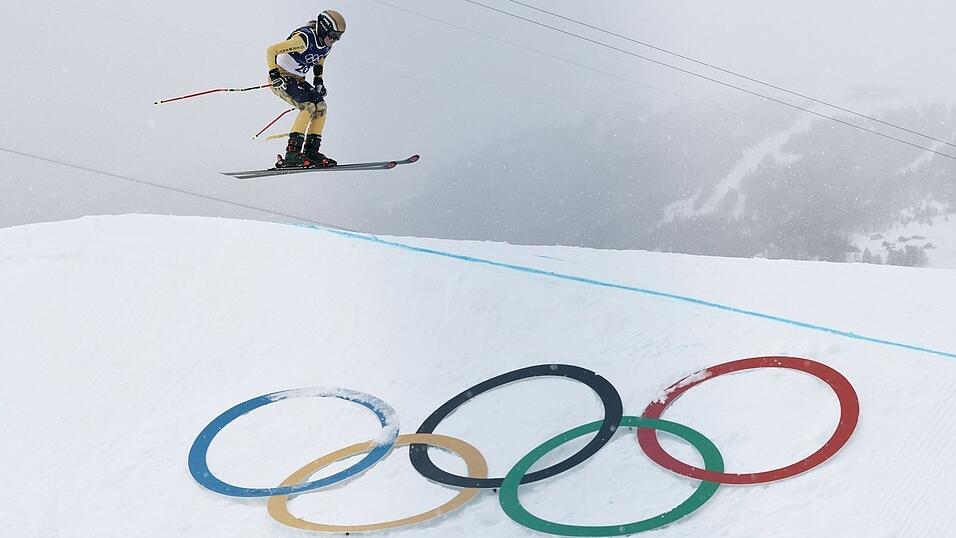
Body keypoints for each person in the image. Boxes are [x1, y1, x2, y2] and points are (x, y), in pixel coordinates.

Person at [266, 10, 346, 168]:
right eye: (333, 35)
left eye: (338, 37)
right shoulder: (304, 40)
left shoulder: (326, 45)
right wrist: (275, 76)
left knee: (321, 106)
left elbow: (320, 59)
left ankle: (311, 151)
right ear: (323, 29)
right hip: (282, 76)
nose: (334, 39)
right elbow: (271, 50)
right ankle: (292, 154)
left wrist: (318, 81)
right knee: (308, 106)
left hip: (298, 79)